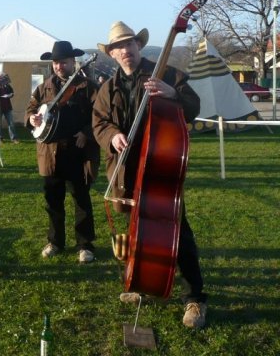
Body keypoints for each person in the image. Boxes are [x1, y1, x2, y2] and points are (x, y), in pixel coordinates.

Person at [92, 21, 207, 329]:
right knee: (138, 232)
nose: (125, 50)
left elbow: (194, 105)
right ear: (112, 53)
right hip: (127, 171)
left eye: (129, 44)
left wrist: (173, 93)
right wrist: (113, 136)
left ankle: (194, 298)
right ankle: (143, 285)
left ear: (138, 46)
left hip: (160, 169)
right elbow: (99, 122)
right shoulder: (107, 88)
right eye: (119, 47)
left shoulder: (166, 74)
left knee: (179, 233)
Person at [25, 41, 99, 263]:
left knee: (81, 200)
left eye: (63, 62)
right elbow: (30, 109)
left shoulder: (88, 87)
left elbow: (100, 115)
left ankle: (84, 244)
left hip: (78, 152)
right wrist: (31, 118)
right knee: (53, 201)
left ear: (73, 62)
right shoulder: (43, 87)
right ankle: (55, 242)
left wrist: (86, 132)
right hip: (51, 152)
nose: (59, 66)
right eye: (56, 62)